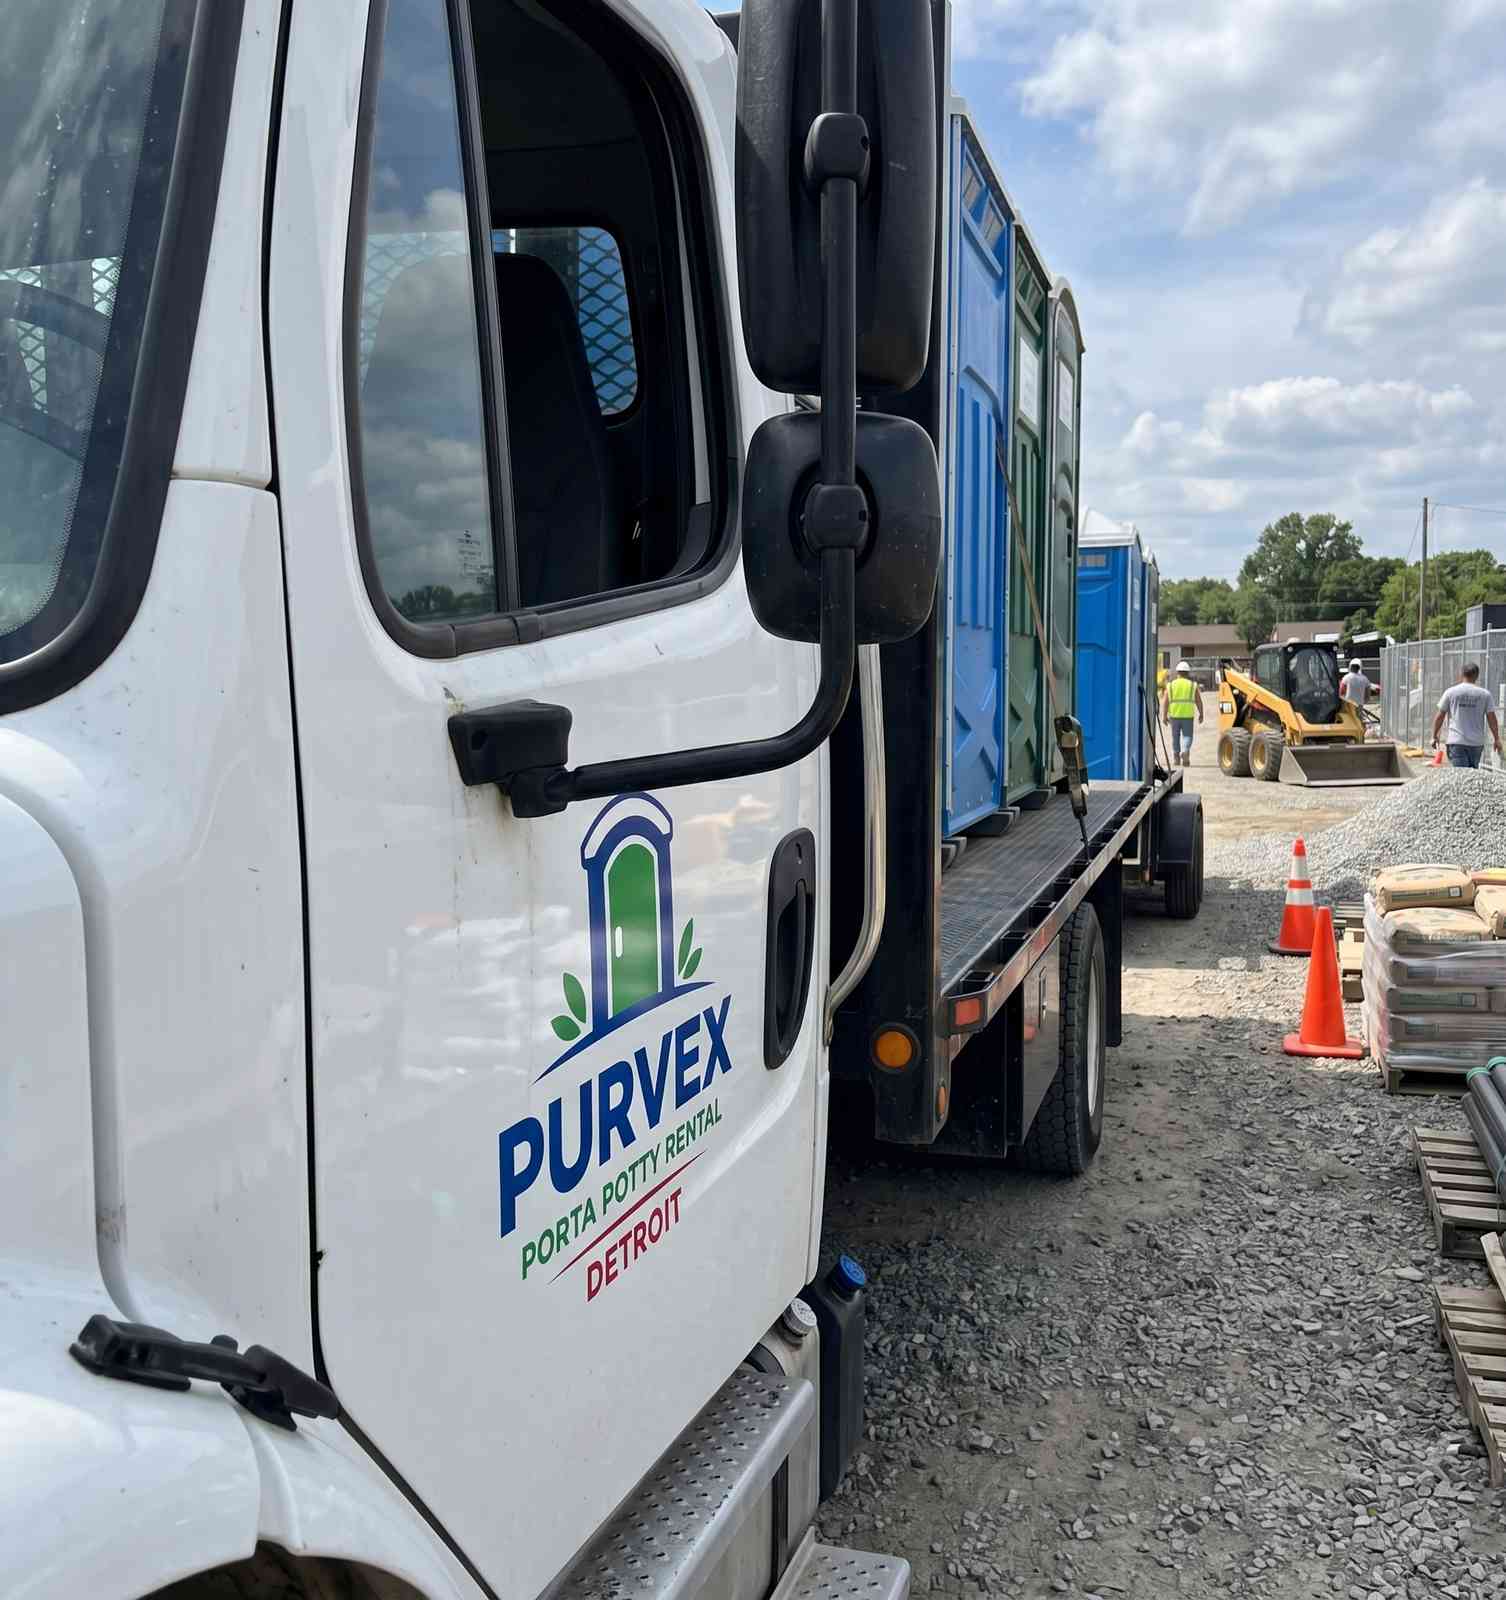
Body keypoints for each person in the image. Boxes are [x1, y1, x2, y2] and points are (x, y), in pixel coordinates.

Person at [1431, 663, 1501, 769]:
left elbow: (1440, 716)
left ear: (1462, 674)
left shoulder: (1451, 692)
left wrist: (1434, 736)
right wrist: (1496, 739)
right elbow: (1492, 719)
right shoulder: (1485, 694)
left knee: (1461, 777)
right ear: (1477, 676)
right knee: (1471, 777)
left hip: (1456, 742)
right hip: (1476, 743)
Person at [1161, 660, 1203, 768]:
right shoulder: (1192, 685)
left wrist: (1164, 716)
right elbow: (1199, 701)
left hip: (1174, 716)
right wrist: (1201, 713)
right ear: (1188, 673)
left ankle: (1176, 758)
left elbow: (1165, 701)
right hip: (1188, 716)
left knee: (1175, 737)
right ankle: (1185, 752)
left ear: (1177, 672)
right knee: (1187, 736)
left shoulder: (1170, 685)